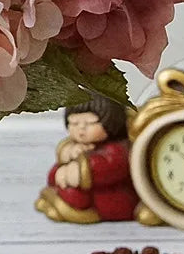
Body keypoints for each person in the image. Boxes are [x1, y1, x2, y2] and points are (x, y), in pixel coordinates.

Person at [35, 95, 140, 223]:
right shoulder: (72, 147)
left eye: (90, 123)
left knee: (77, 195)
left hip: (111, 198)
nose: (81, 129)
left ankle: (63, 206)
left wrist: (79, 169)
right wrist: (62, 167)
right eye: (74, 123)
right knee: (59, 179)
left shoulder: (119, 149)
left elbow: (107, 167)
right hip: (88, 194)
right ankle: (57, 202)